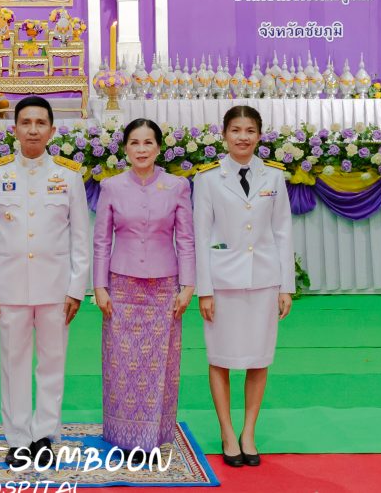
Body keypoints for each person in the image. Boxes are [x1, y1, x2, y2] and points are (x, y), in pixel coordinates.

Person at [0, 95, 89, 467]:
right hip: (10, 286)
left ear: (53, 130)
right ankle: (18, 437)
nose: (33, 129)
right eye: (26, 122)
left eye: (41, 123)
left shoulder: (69, 175)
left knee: (52, 362)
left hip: (56, 287)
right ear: (15, 129)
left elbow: (80, 240)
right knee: (14, 362)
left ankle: (45, 434)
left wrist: (76, 288)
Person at [193, 105, 294, 468]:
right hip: (222, 282)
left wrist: (286, 286)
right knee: (220, 359)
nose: (243, 137)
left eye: (250, 130)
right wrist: (203, 289)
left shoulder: (274, 178)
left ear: (259, 135)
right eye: (235, 130)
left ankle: (248, 431)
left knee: (258, 358)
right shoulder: (207, 179)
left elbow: (282, 232)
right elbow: (201, 235)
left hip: (264, 279)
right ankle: (226, 430)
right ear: (224, 135)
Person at [93, 118, 195, 463]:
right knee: (121, 363)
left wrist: (188, 285)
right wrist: (99, 286)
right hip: (120, 285)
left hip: (165, 286)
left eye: (148, 143)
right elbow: (101, 241)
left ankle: (153, 437)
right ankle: (122, 435)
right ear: (125, 148)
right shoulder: (110, 187)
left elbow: (186, 239)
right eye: (134, 143)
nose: (141, 150)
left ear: (159, 148)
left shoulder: (177, 186)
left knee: (160, 364)